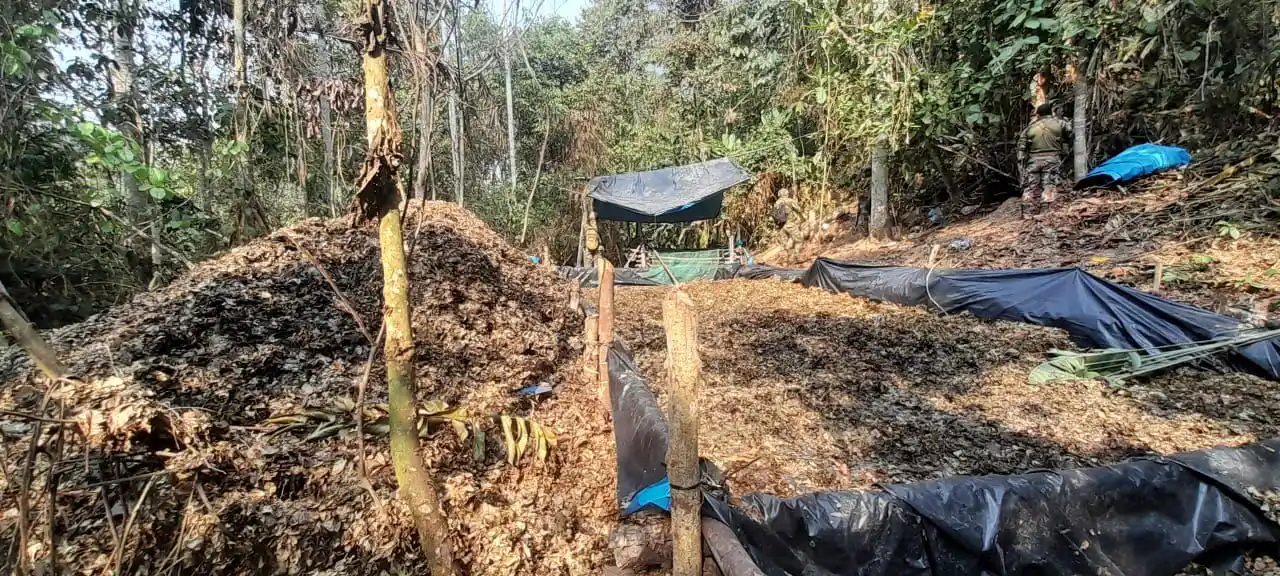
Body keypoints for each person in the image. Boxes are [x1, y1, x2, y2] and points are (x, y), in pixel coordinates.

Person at [1017, 102, 1072, 216]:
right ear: (1051, 112)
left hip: (1033, 160)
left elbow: (1021, 146)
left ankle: (1028, 213)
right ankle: (1046, 213)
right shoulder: (1060, 123)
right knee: (1049, 184)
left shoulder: (1030, 127)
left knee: (1031, 187)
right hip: (1052, 159)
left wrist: (1022, 160)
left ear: (1038, 114)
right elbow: (1071, 135)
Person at [772, 188, 801, 258]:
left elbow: (774, 215)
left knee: (787, 242)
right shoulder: (790, 201)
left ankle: (789, 257)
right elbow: (799, 209)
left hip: (781, 226)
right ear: (786, 193)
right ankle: (797, 256)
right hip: (790, 224)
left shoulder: (776, 203)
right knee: (799, 241)